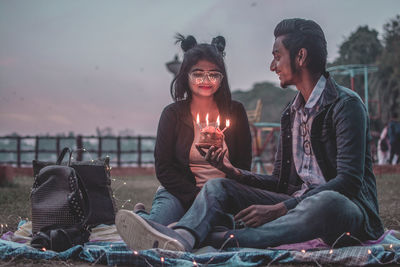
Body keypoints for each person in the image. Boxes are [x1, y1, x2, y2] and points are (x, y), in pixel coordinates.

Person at [116, 18, 384, 252]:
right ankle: (184, 236)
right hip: (294, 203)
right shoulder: (291, 112)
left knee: (326, 201)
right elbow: (281, 184)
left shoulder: (345, 105)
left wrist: (281, 209)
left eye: (277, 56)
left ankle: (224, 238)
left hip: (344, 210)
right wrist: (232, 171)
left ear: (300, 57)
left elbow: (348, 182)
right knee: (216, 185)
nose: (272, 65)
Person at [132, 34, 252, 226]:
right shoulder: (173, 114)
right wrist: (197, 197)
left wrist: (218, 196)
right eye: (197, 73)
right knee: (156, 230)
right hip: (178, 194)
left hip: (223, 196)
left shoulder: (235, 111)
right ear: (186, 75)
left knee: (230, 233)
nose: (206, 79)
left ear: (222, 78)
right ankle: (141, 217)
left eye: (213, 74)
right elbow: (163, 168)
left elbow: (244, 165)